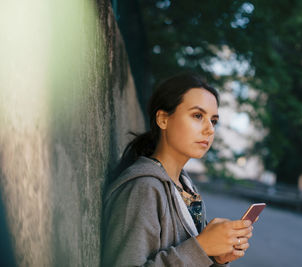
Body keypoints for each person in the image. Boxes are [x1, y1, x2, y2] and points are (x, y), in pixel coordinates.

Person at [101, 73, 254, 266]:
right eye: (198, 116)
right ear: (163, 119)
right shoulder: (144, 189)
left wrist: (216, 259)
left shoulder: (186, 188)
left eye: (213, 120)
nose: (210, 129)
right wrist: (202, 248)